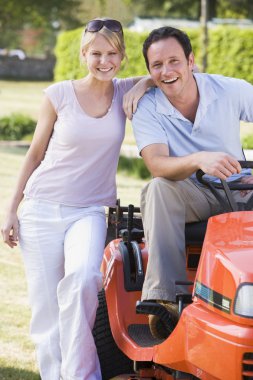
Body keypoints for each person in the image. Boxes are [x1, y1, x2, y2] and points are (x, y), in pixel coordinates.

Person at [1, 18, 153, 380]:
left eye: (112, 53)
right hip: (41, 208)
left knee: (84, 281)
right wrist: (10, 210)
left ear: (122, 56)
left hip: (89, 211)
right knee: (47, 310)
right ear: (84, 54)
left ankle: (82, 376)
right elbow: (35, 154)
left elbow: (166, 77)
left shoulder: (125, 91)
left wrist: (144, 82)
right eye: (96, 53)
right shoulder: (58, 95)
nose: (104, 61)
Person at [131, 26, 253, 339]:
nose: (166, 71)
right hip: (194, 193)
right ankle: (165, 300)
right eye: (157, 66)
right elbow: (157, 164)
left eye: (174, 61)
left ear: (191, 60)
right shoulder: (148, 107)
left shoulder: (229, 89)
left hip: (242, 191)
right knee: (157, 189)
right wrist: (200, 159)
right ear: (149, 71)